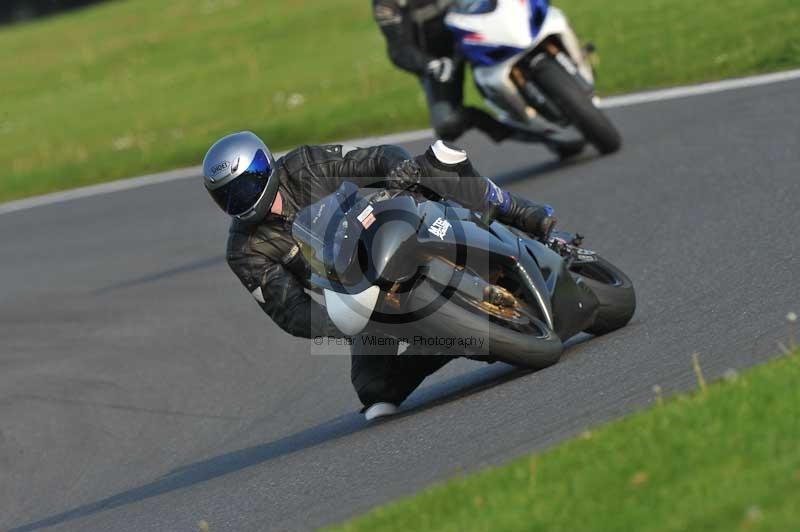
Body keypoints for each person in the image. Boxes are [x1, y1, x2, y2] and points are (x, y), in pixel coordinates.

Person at [203, 131, 555, 419]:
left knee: (435, 168)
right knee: (374, 390)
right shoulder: (245, 251)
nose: (241, 198)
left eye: (246, 184)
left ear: (266, 168)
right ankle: (457, 337)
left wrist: (398, 167)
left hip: (391, 227)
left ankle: (518, 210)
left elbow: (371, 158)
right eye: (228, 195)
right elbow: (289, 310)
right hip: (360, 294)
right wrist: (342, 324)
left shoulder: (305, 163)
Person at [372, 0, 517, 143]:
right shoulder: (385, 4)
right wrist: (430, 65)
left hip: (482, 31)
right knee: (447, 123)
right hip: (442, 58)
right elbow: (398, 50)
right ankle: (511, 131)